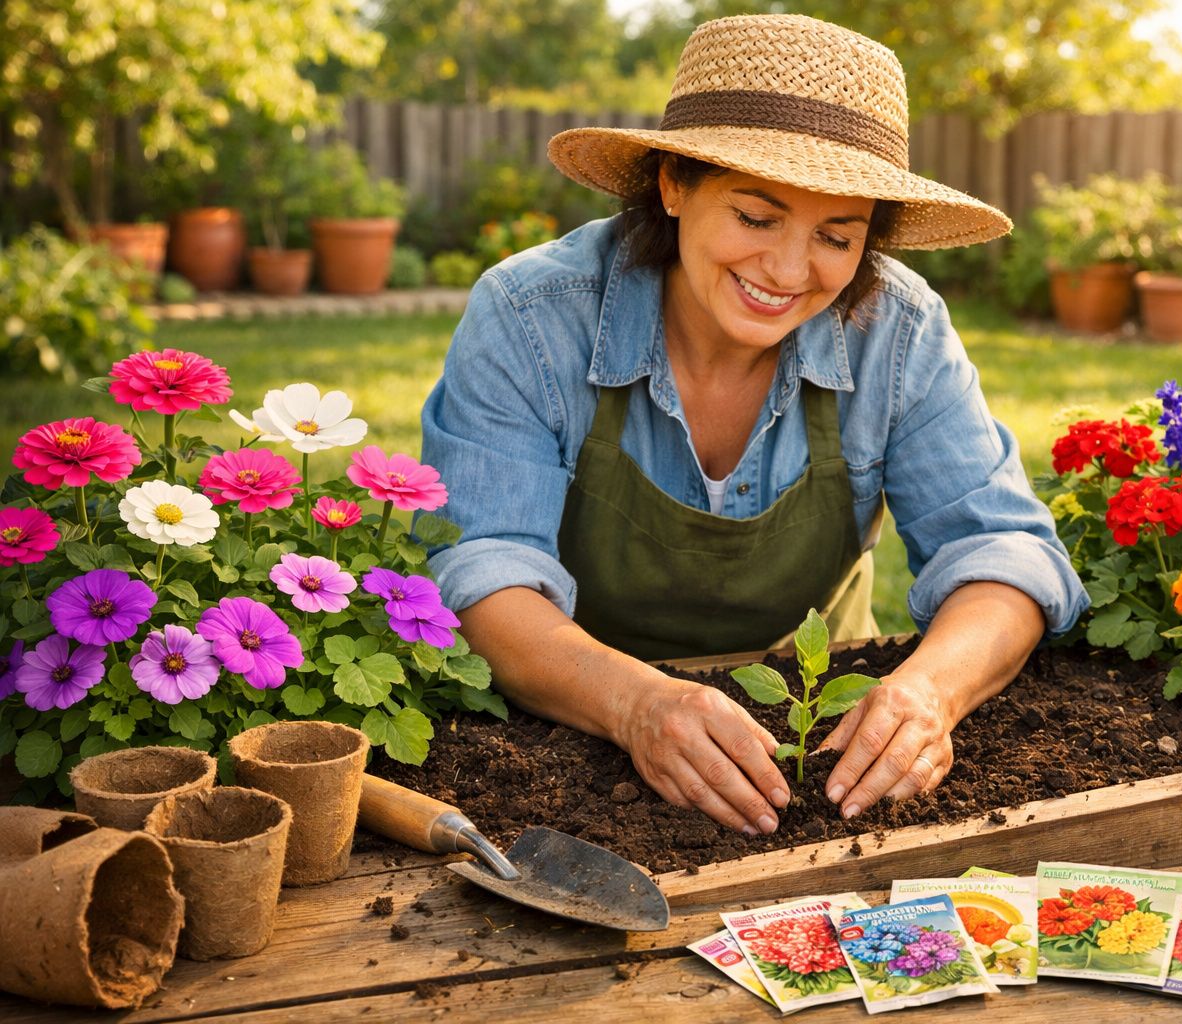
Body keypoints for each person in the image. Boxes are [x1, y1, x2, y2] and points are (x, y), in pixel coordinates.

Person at [420, 14, 1088, 839]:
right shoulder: (531, 316)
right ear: (673, 185)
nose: (786, 271)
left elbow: (1004, 553)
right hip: (567, 720)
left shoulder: (899, 331)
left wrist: (927, 694)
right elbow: (482, 572)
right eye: (757, 217)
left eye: (835, 236)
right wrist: (635, 704)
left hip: (808, 724)